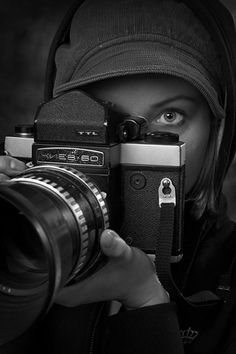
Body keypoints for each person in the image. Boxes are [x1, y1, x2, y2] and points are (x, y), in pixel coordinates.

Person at [0, 0, 236, 353]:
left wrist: (145, 304)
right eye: (98, 120)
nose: (119, 148)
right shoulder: (15, 243)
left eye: (170, 118)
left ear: (221, 130)